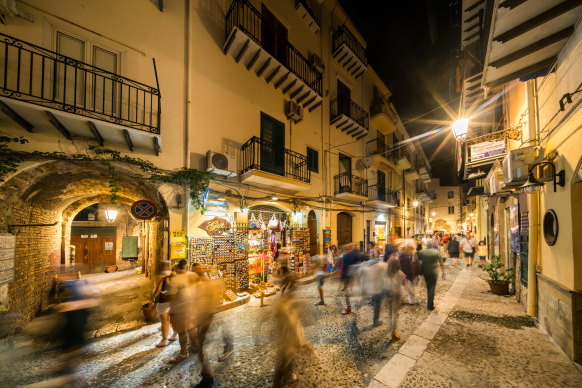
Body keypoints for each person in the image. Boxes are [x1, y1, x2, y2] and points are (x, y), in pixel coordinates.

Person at [168, 259, 198, 363]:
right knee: (190, 327)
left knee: (182, 331)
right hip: (191, 307)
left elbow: (171, 296)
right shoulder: (192, 276)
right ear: (186, 267)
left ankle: (184, 353)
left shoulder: (174, 280)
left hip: (179, 309)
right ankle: (195, 346)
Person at [149, 261, 178, 347]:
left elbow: (157, 291)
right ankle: (174, 335)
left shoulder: (165, 279)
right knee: (174, 320)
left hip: (164, 303)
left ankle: (164, 340)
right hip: (175, 302)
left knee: (165, 322)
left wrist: (152, 299)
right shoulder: (180, 280)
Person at [359, 253, 388, 326]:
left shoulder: (366, 268)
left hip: (372, 289)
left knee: (376, 303)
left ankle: (375, 317)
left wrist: (363, 295)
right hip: (379, 289)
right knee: (377, 305)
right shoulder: (382, 265)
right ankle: (375, 321)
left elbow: (363, 281)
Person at [385, 256, 407, 341]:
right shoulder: (400, 273)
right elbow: (405, 286)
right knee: (395, 314)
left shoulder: (385, 272)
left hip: (387, 294)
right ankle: (393, 333)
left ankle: (391, 327)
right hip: (396, 295)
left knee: (390, 313)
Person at [418, 240, 445, 311]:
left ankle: (429, 302)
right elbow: (441, 263)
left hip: (425, 272)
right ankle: (430, 305)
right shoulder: (436, 253)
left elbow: (417, 260)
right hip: (433, 272)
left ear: (426, 245)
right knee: (432, 288)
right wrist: (443, 272)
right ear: (432, 245)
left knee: (428, 286)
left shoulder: (422, 252)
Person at [398, 240, 420, 304]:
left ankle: (403, 298)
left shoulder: (401, 255)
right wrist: (417, 274)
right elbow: (417, 265)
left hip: (403, 273)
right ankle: (411, 300)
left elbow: (399, 264)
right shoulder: (414, 255)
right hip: (411, 274)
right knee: (410, 286)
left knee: (404, 287)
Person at [340, 242, 359, 315]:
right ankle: (350, 307)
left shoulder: (346, 256)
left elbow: (344, 268)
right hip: (354, 276)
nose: (345, 251)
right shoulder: (356, 254)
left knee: (347, 293)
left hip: (349, 276)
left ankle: (349, 308)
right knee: (349, 292)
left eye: (345, 249)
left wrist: (342, 277)